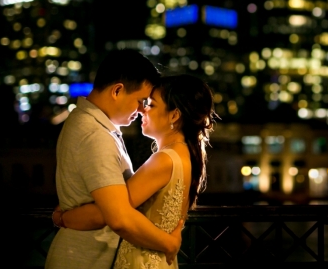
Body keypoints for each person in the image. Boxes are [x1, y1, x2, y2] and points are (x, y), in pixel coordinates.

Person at [53, 74, 217, 269]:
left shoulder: (164, 160)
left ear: (174, 115)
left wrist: (63, 217)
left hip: (142, 261)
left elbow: (111, 211)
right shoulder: (183, 155)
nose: (142, 111)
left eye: (151, 105)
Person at [45, 49, 183, 269]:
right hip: (84, 259)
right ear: (117, 90)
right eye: (140, 100)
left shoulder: (93, 125)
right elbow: (118, 217)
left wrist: (65, 218)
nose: (141, 110)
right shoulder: (94, 134)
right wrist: (168, 243)